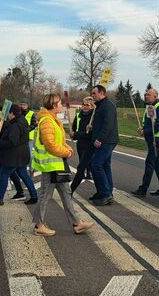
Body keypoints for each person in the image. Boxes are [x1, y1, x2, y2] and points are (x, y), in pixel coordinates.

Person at [32, 93, 94, 236]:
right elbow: (50, 145)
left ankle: (77, 223)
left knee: (66, 193)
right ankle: (39, 225)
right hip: (51, 166)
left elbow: (58, 141)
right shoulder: (47, 121)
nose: (61, 105)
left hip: (58, 165)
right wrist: (66, 152)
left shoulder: (52, 120)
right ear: (54, 105)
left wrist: (67, 148)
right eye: (59, 103)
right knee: (45, 196)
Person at [0, 104, 38, 206]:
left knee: (4, 175)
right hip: (22, 154)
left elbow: (12, 141)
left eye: (8, 113)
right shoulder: (22, 121)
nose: (6, 116)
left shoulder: (15, 126)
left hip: (14, 156)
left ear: (12, 113)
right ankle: (34, 195)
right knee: (24, 175)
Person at [132, 88, 159, 197]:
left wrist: (145, 131)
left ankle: (143, 189)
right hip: (151, 139)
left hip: (156, 141)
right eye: (146, 94)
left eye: (149, 95)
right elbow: (149, 123)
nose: (146, 96)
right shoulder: (150, 108)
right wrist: (142, 129)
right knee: (157, 165)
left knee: (150, 164)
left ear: (155, 97)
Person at [89, 85, 119, 206]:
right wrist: (92, 127)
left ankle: (106, 194)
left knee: (96, 164)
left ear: (101, 93)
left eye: (94, 93)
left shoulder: (108, 105)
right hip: (105, 140)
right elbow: (101, 122)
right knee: (105, 166)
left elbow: (108, 124)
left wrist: (100, 139)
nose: (92, 95)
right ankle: (104, 192)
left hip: (106, 141)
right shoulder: (101, 105)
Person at [70, 97, 95, 194]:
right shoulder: (79, 115)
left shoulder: (93, 116)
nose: (85, 106)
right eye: (84, 104)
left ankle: (71, 190)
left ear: (92, 106)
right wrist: (73, 133)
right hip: (80, 142)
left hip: (89, 144)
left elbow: (88, 133)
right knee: (82, 162)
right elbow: (75, 126)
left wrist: (76, 134)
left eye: (87, 105)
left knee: (84, 166)